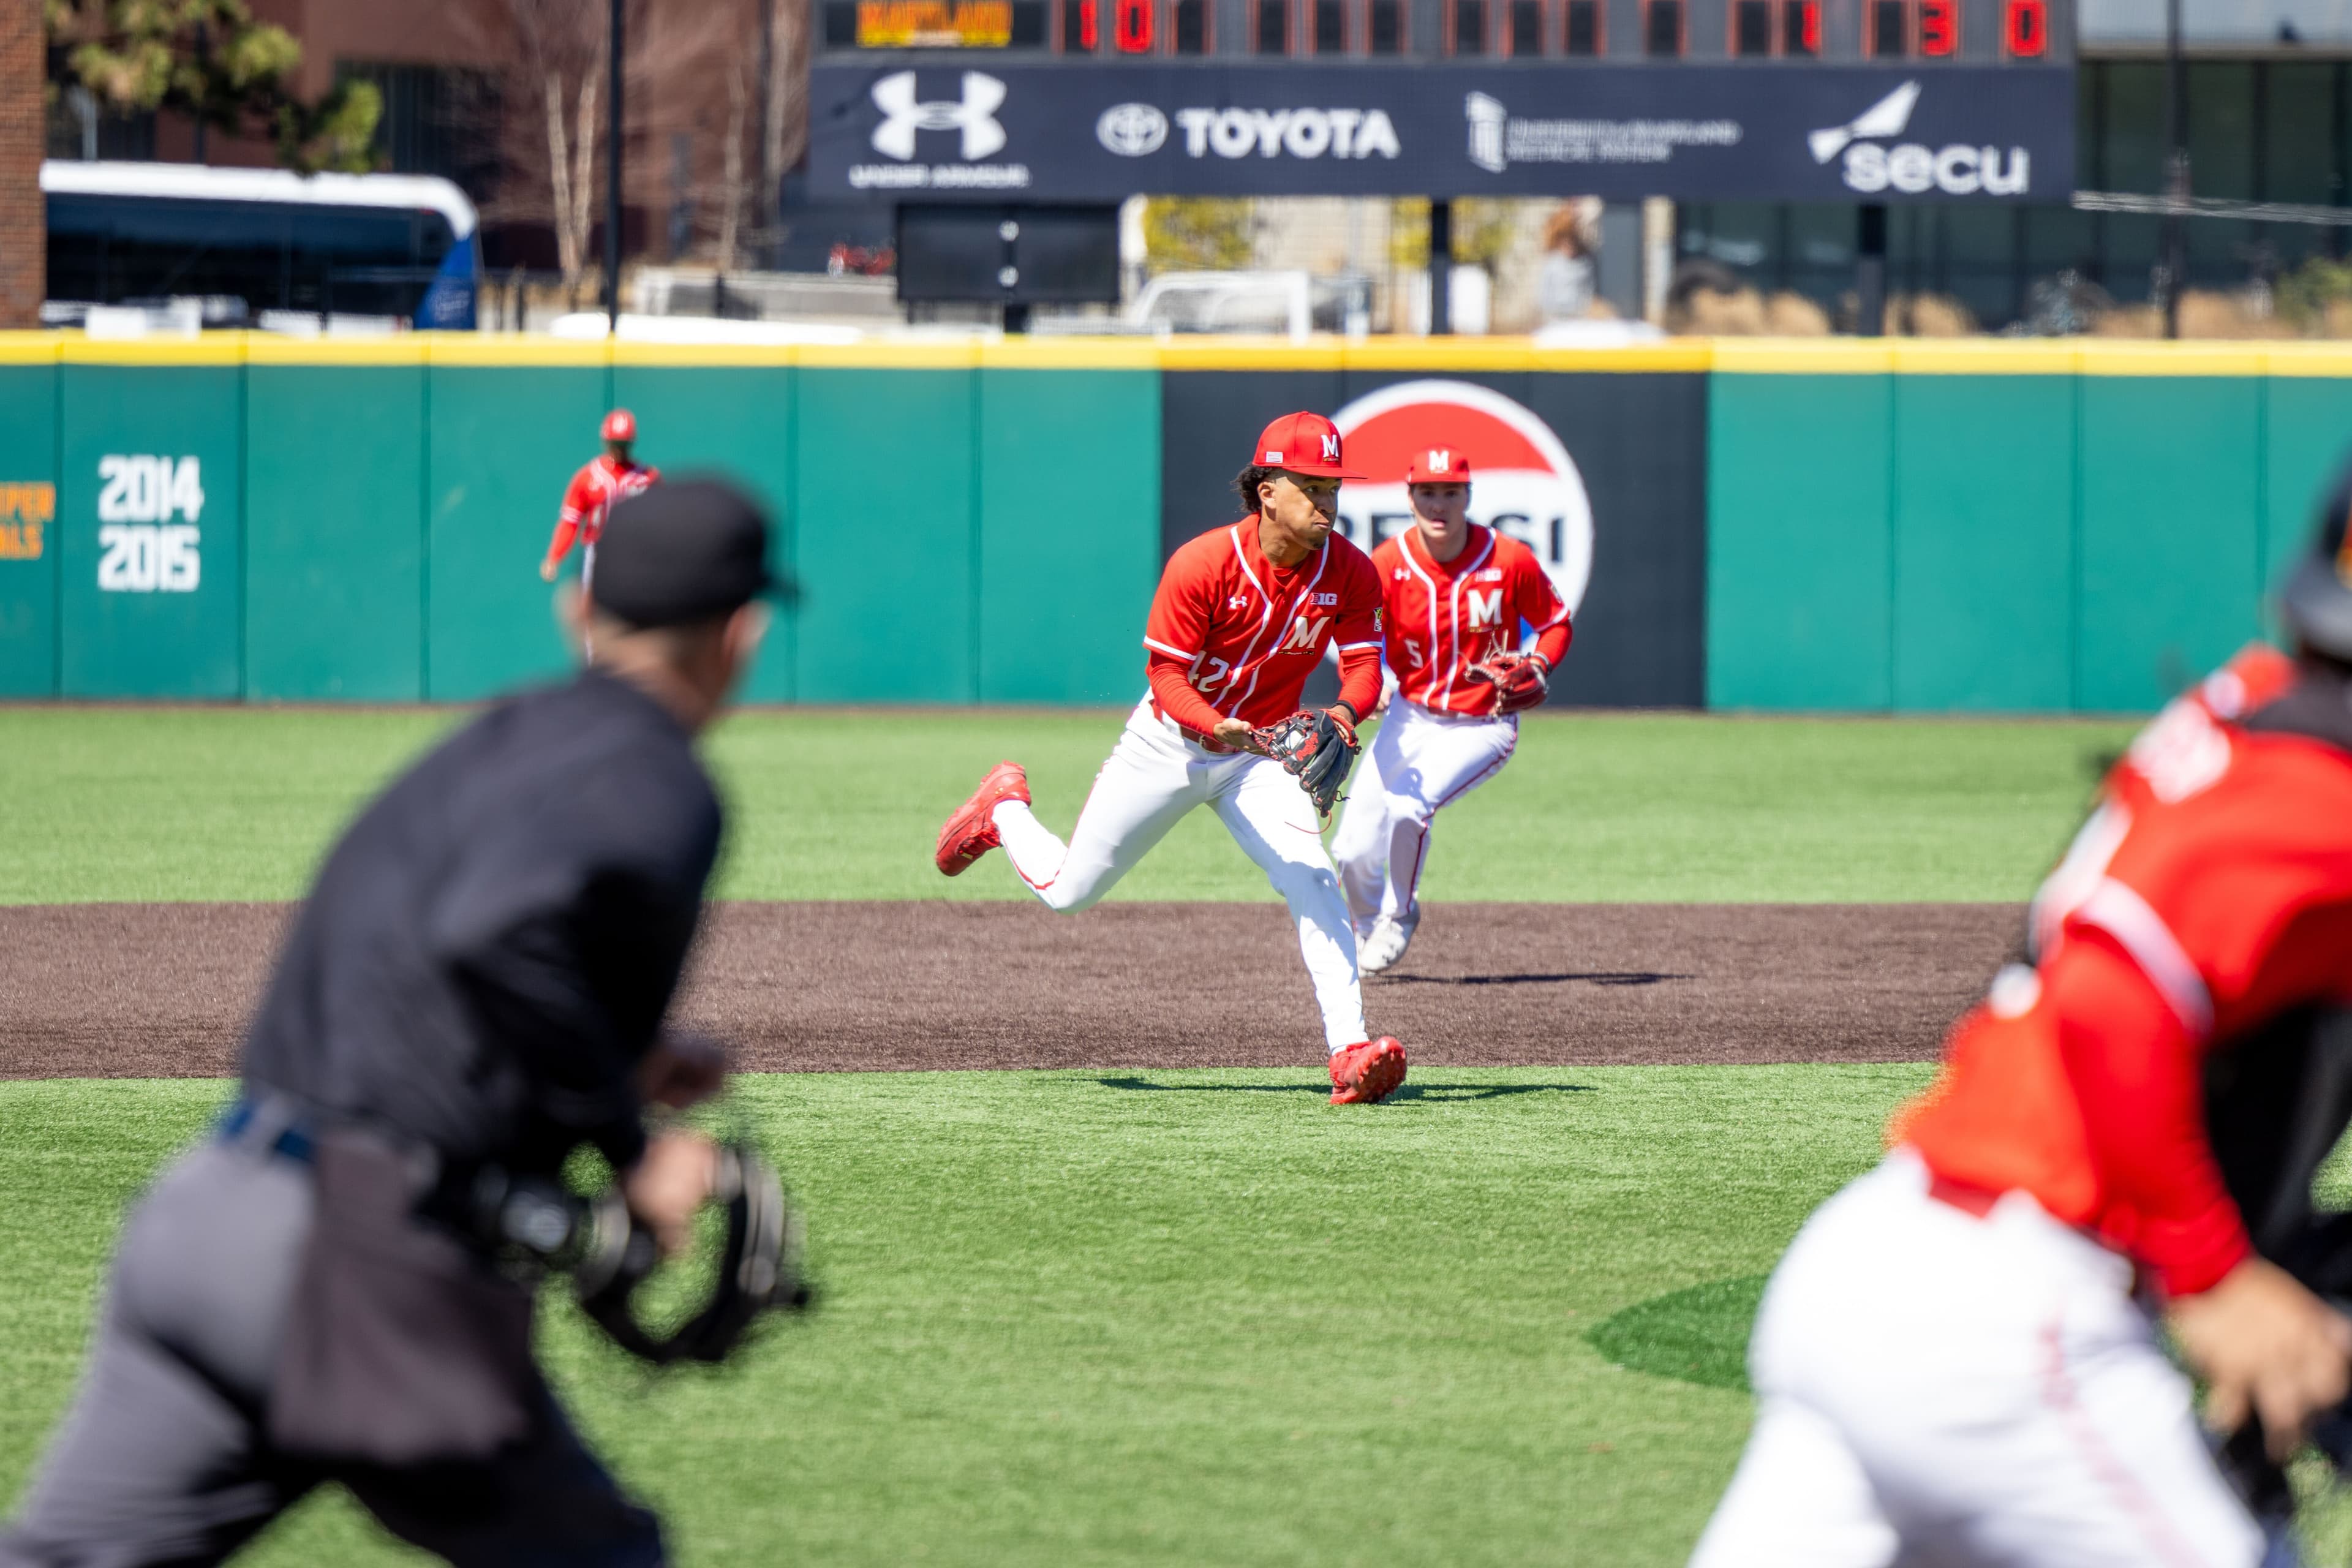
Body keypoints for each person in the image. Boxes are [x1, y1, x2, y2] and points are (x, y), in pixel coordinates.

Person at [1, 479, 779, 1568]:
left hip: (203, 1220)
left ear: (581, 615)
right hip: (354, 1266)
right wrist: (631, 1144)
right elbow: (495, 936)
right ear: (740, 635)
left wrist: (623, 1051)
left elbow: (419, 947)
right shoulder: (658, 775)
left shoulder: (496, 740)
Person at [1687, 488, 2352, 1568]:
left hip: (1883, 1260)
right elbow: (2110, 993)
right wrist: (2213, 1275)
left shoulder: (2266, 704)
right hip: (2009, 1325)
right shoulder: (2322, 794)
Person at [932, 411, 1409, 1106]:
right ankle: (1003, 807)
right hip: (1171, 745)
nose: (1328, 502)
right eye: (1311, 486)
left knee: (1313, 876)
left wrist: (1340, 713)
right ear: (1266, 490)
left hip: (1262, 758)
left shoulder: (1351, 571)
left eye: (1333, 486)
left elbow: (1366, 668)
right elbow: (1167, 678)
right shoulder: (1204, 563)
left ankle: (1349, 1051)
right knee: (1071, 892)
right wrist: (1220, 725)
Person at [1330, 449, 1572, 975]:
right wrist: (1376, 680)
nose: (1439, 504)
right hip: (1411, 716)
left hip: (1483, 723)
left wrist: (1538, 662)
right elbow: (1360, 632)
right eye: (1428, 493)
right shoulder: (1389, 563)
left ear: (1468, 496)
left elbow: (1555, 622)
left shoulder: (1508, 559)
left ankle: (1400, 914)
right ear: (1411, 497)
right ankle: (1368, 926)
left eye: (1450, 493)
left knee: (1409, 810)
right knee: (1349, 848)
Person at [542, 409, 662, 592]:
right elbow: (570, 522)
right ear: (606, 442)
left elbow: (664, 522)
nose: (619, 449)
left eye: (623, 444)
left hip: (636, 554)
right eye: (616, 443)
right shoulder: (587, 477)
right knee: (595, 613)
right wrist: (554, 558)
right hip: (597, 553)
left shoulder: (648, 478)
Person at [1536, 204, 1596, 325]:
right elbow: (1544, 296)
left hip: (1579, 321)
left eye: (1572, 243)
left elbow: (1589, 293)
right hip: (1556, 320)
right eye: (1565, 243)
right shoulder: (1552, 264)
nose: (1569, 247)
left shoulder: (1586, 265)